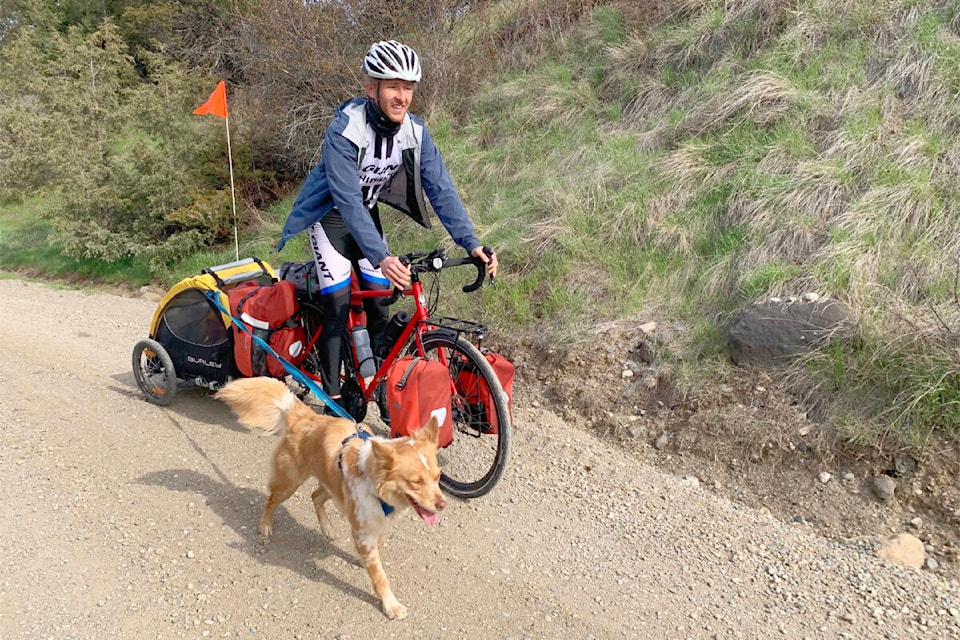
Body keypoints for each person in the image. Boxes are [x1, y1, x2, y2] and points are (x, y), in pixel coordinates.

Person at [276, 39, 498, 415]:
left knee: (380, 301)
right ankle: (332, 403)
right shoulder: (346, 128)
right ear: (371, 88)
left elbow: (440, 188)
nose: (402, 97)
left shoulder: (415, 132)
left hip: (366, 216)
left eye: (408, 88)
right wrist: (381, 256)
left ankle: (375, 384)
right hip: (330, 218)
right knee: (338, 302)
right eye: (393, 86)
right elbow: (346, 198)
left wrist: (471, 242)